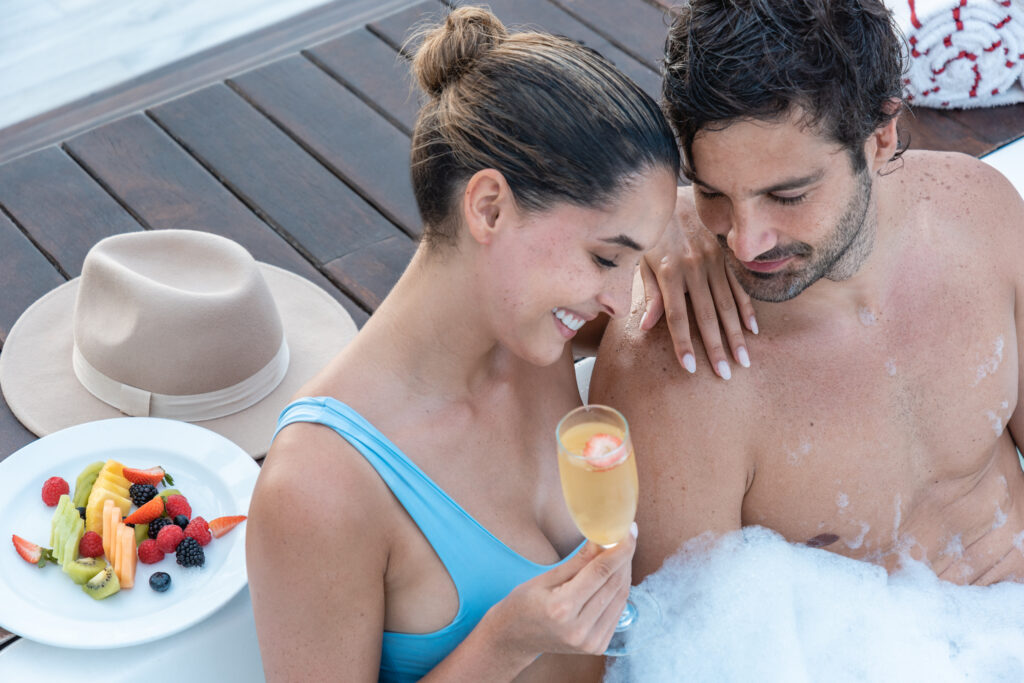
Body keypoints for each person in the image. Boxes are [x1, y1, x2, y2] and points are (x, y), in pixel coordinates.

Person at [246, 7, 685, 681]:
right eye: (606, 258)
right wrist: (504, 643)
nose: (622, 300)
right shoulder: (319, 485)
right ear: (488, 208)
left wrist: (695, 250)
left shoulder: (537, 328)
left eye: (636, 261)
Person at [592, 0, 1024, 587]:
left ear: (880, 135)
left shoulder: (979, 215)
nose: (746, 242)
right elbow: (693, 652)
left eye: (788, 196)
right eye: (713, 193)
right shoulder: (675, 366)